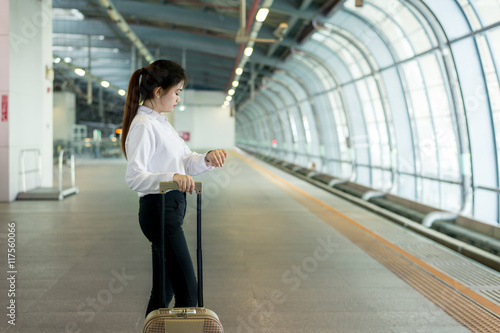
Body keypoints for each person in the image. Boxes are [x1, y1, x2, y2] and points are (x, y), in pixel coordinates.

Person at [120, 59, 227, 317]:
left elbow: (185, 160)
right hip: (159, 212)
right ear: (159, 92)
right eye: (176, 92)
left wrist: (207, 159)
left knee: (163, 292)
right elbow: (134, 177)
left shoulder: (161, 123)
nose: (179, 98)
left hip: (169, 211)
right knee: (189, 292)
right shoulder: (144, 125)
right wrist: (172, 177)